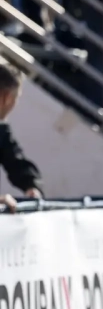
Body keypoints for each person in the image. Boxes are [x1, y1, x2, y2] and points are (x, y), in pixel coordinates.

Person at [0, 62, 44, 210]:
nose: (16, 104)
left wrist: (31, 185)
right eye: (16, 97)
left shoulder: (1, 130)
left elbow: (15, 160)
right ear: (5, 98)